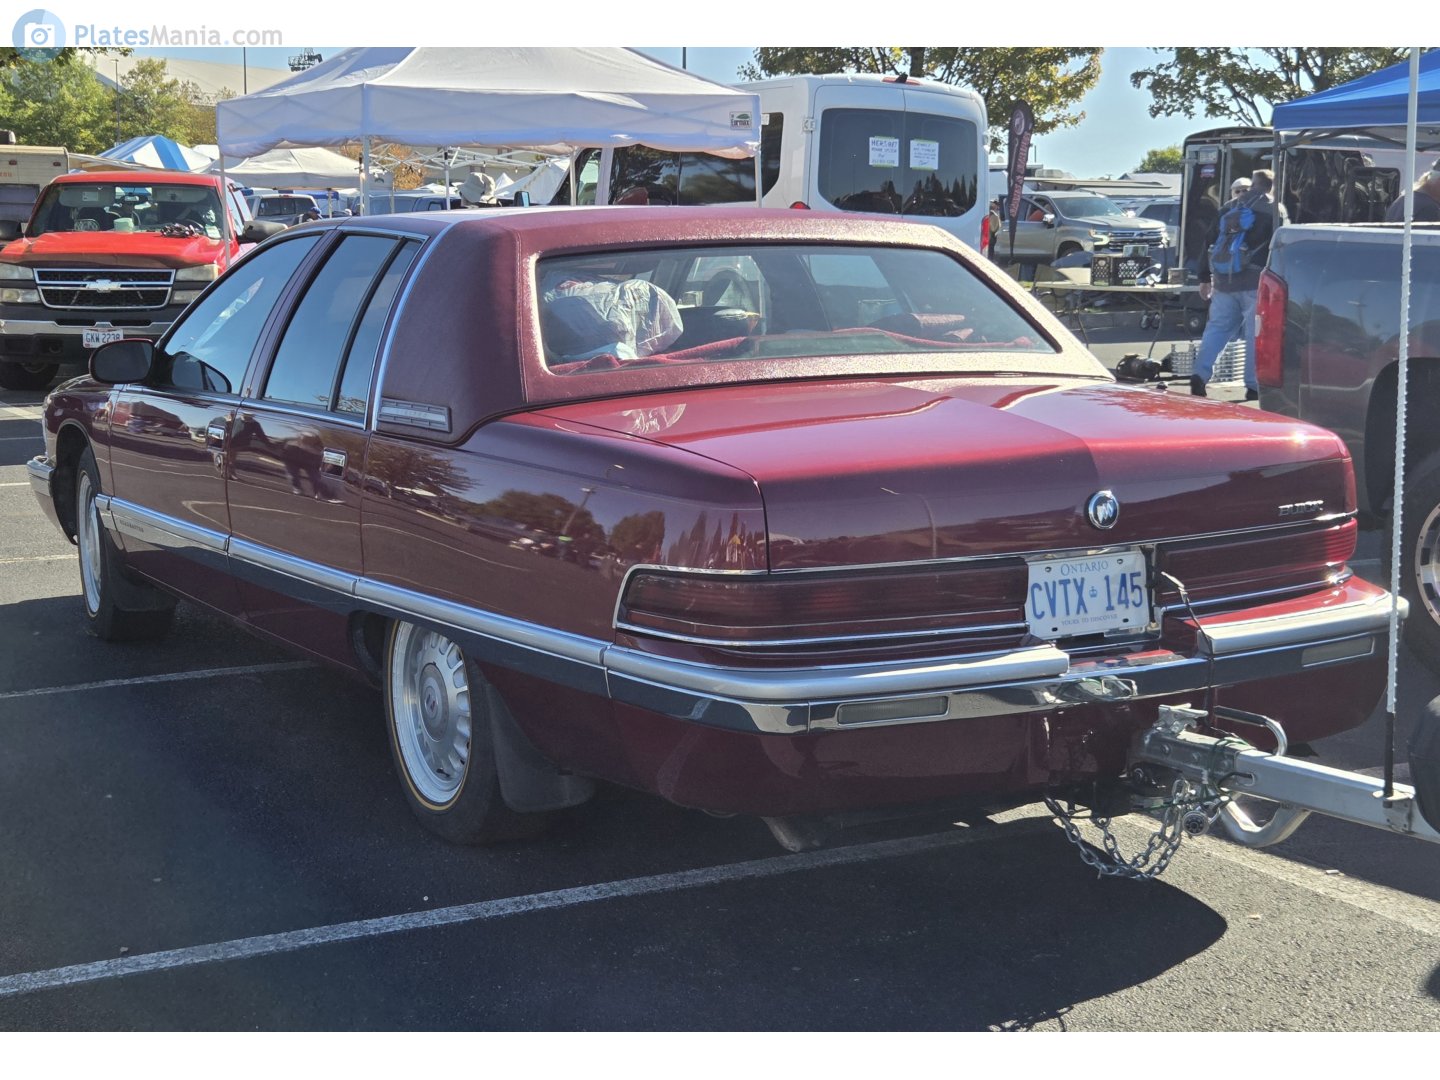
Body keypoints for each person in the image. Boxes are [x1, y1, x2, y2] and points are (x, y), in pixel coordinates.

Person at [1192, 170, 1285, 400]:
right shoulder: (1275, 209)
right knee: (1256, 334)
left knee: (1217, 329)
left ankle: (1199, 375)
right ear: (1271, 186)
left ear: (1253, 184)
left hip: (1224, 281)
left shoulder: (1229, 206)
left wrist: (1204, 277)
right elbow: (1281, 245)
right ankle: (1253, 385)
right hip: (1256, 282)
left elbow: (1209, 241)